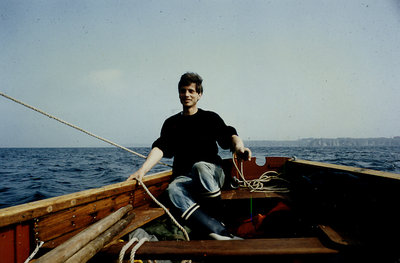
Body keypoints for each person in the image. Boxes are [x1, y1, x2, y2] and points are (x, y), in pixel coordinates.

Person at [127, 72, 251, 240]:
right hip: (185, 178)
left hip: (212, 174)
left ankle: (219, 218)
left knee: (199, 166)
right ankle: (216, 230)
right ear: (179, 93)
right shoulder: (171, 123)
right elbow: (161, 147)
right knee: (172, 190)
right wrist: (142, 171)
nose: (186, 94)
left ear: (199, 95)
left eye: (191, 91)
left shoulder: (210, 118)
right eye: (183, 90)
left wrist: (240, 148)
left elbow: (231, 136)